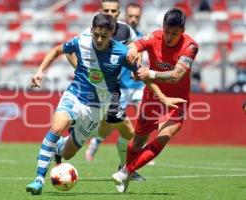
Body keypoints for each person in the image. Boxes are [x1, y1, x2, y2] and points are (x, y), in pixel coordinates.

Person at [25, 13, 184, 195]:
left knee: (67, 153)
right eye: (96, 35)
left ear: (112, 34)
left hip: (96, 108)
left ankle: (56, 148)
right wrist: (40, 72)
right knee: (56, 127)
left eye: (104, 36)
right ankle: (38, 179)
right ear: (92, 30)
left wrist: (163, 98)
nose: (99, 39)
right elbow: (57, 51)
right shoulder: (80, 42)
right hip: (74, 95)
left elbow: (143, 76)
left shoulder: (123, 53)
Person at [112, 8, 199, 192]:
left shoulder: (191, 46)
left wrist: (149, 73)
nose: (169, 37)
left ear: (182, 31)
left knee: (163, 137)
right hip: (152, 98)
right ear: (163, 28)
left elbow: (177, 75)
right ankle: (127, 174)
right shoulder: (154, 36)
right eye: (167, 31)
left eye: (174, 33)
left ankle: (126, 171)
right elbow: (135, 44)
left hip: (176, 101)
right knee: (137, 142)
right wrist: (133, 51)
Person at [82, 0, 145, 181]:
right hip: (109, 89)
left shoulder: (127, 31)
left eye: (113, 10)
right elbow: (72, 50)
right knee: (106, 129)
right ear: (100, 10)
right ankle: (89, 140)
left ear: (119, 12)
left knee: (140, 121)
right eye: (106, 10)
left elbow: (136, 46)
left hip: (131, 86)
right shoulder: (94, 33)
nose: (110, 13)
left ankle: (126, 166)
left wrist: (137, 61)